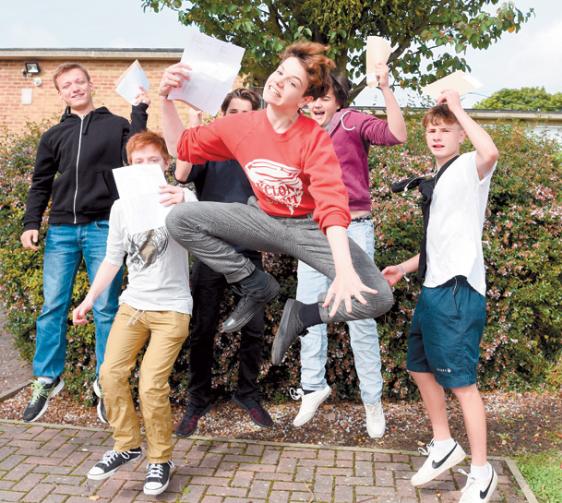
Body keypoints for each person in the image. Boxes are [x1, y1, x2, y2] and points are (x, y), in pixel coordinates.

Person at [159, 42, 394, 373]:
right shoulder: (240, 125)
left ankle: (303, 315)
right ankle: (253, 282)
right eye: (280, 72)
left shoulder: (313, 139)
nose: (279, 82)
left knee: (379, 297)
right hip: (261, 219)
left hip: (307, 229)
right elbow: (180, 146)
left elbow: (331, 203)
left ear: (305, 100)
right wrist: (166, 99)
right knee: (180, 219)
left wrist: (344, 270)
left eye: (292, 82)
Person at [382, 90, 499, 503]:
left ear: (460, 136)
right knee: (418, 367)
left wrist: (459, 110)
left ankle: (482, 473)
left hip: (457, 290)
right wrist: (404, 267)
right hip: (433, 287)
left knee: (462, 385)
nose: (436, 135)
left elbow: (490, 151)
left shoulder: (469, 167)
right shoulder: (439, 178)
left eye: (445, 130)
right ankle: (445, 442)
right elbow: (440, 243)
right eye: (432, 129)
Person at [20, 62, 149, 424]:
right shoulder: (53, 135)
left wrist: (139, 111)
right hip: (62, 229)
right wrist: (31, 223)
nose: (75, 88)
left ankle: (106, 383)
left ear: (91, 85)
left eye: (80, 81)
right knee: (53, 306)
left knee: (105, 308)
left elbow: (137, 155)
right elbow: (41, 183)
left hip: (103, 227)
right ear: (60, 93)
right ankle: (47, 378)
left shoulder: (115, 125)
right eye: (67, 85)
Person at [73, 130, 195, 496]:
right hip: (133, 305)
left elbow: (207, 225)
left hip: (172, 308)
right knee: (110, 374)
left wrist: (186, 199)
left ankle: (161, 459)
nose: (145, 166)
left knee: (152, 385)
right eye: (138, 161)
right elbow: (113, 259)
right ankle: (126, 445)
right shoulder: (121, 208)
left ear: (165, 163)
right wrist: (88, 300)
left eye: (152, 160)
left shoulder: (181, 199)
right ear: (129, 166)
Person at [292, 66, 407, 438]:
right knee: (307, 310)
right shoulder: (300, 132)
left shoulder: (352, 122)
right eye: (312, 98)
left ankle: (372, 401)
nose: (316, 104)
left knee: (360, 317)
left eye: (324, 98)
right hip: (313, 232)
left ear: (338, 101)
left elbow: (396, 134)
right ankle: (313, 386)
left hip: (354, 229)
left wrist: (386, 89)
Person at [174, 88, 274, 437]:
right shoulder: (208, 149)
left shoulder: (260, 153)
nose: (238, 118)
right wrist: (193, 126)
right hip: (210, 252)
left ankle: (247, 394)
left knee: (254, 328)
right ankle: (198, 399)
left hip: (249, 251)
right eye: (233, 111)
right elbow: (181, 175)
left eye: (246, 113)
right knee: (202, 329)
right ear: (223, 114)